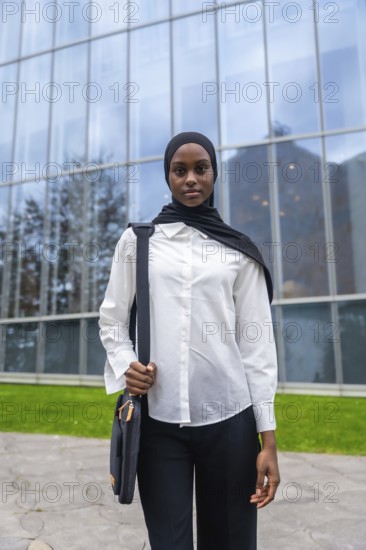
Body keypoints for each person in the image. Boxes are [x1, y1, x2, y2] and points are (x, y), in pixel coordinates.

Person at [99, 131, 280, 550]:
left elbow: (257, 346)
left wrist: (267, 438)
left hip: (231, 421)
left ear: (214, 173)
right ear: (168, 177)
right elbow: (111, 319)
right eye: (180, 170)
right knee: (170, 543)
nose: (191, 179)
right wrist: (127, 365)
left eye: (201, 168)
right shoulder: (137, 241)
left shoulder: (239, 252)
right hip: (158, 423)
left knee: (231, 542)